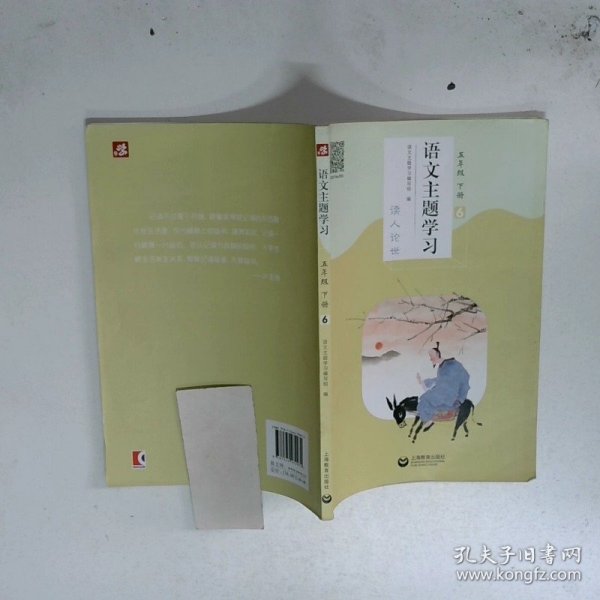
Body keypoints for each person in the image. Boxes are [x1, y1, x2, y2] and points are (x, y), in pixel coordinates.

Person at [416, 342, 470, 428]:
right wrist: (423, 382)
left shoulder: (453, 365)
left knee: (425, 399)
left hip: (449, 396)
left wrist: (460, 399)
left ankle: (428, 420)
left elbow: (465, 379)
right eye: (430, 357)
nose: (430, 359)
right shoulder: (442, 367)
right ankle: (429, 418)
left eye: (431, 356)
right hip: (443, 394)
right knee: (425, 398)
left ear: (438, 354)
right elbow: (439, 380)